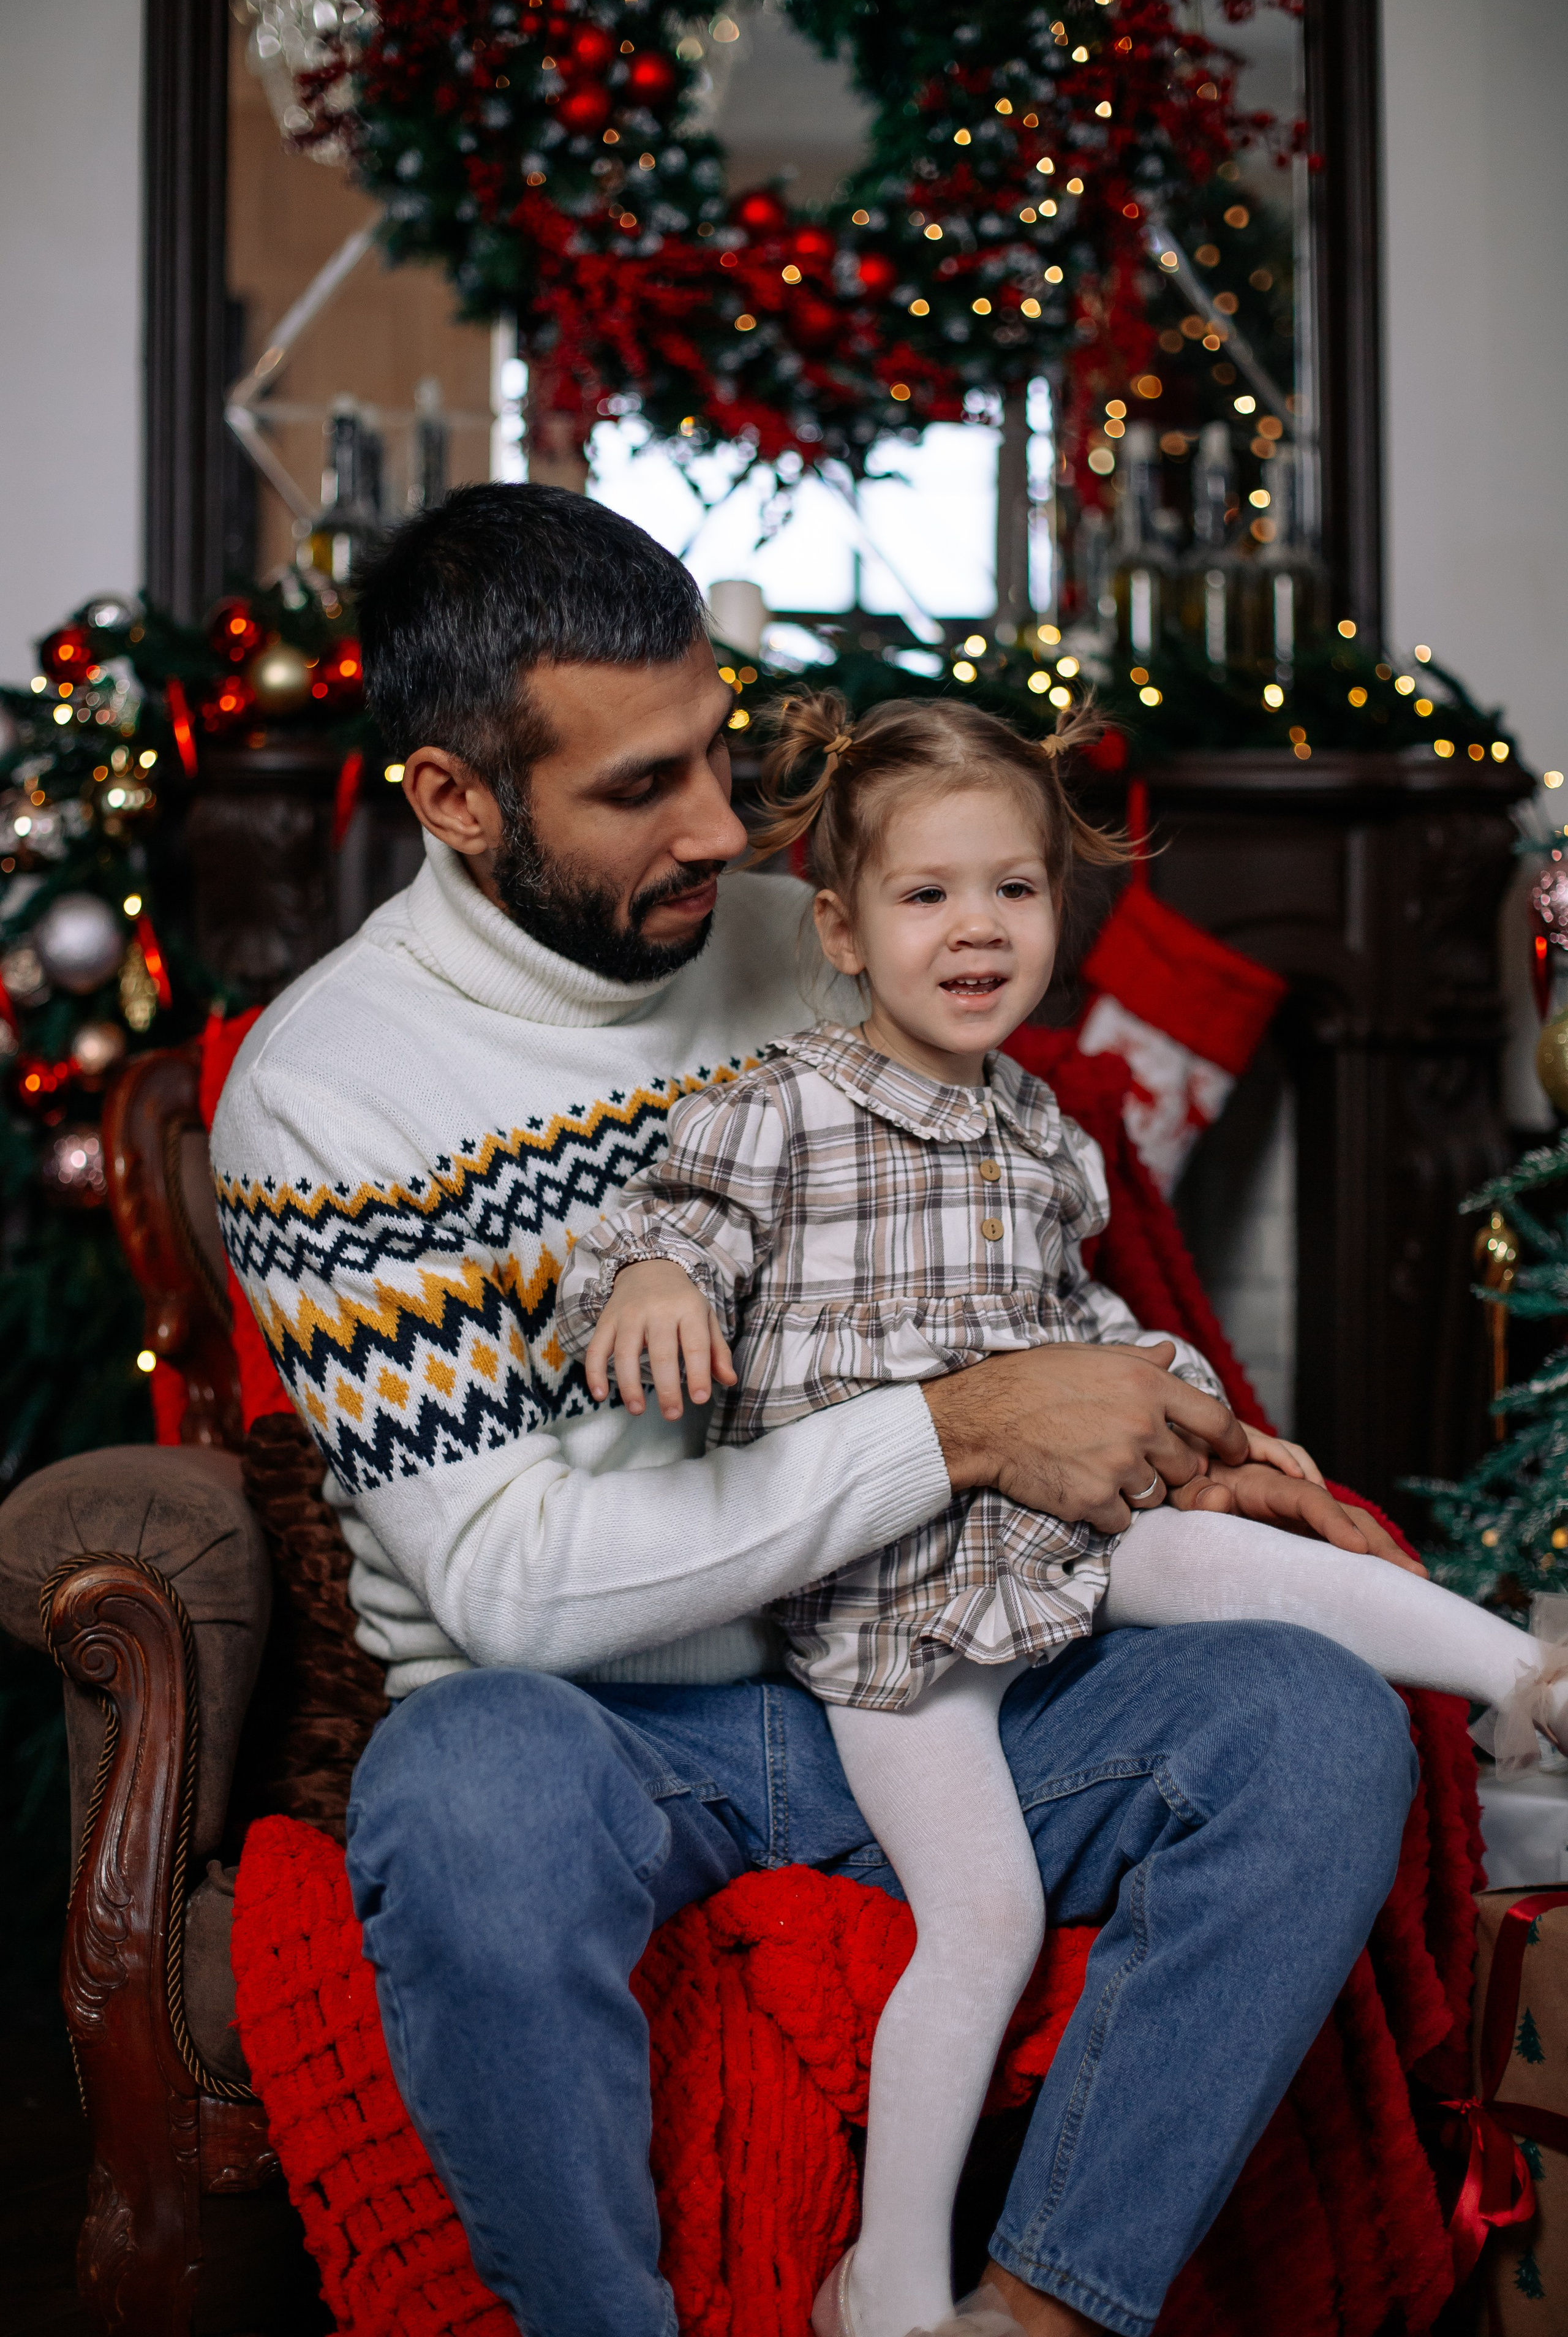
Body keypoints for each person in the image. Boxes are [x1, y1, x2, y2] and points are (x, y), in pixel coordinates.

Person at [214, 481, 1427, 2337]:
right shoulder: (329, 1096)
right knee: (459, 1791)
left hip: (947, 1660)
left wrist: (1232, 1470)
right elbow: (512, 1590)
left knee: (1319, 1723)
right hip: (602, 1732)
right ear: (456, 801)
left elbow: (1040, 1290)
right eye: (640, 789)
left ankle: (1033, 2309)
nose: (723, 827)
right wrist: (960, 1429)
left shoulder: (827, 939)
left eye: (722, 747)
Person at [556, 688, 1568, 2337]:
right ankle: (890, 2284)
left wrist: (1226, 1430)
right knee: (988, 1916)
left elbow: (1083, 1332)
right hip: (885, 1618)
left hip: (1045, 1542)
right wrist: (658, 1282)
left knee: (1224, 1545)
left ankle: (1523, 1682)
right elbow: (669, 1225)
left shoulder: (1041, 1130)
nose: (977, 931)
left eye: (1014, 892)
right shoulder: (782, 1103)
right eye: (928, 894)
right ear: (841, 925)